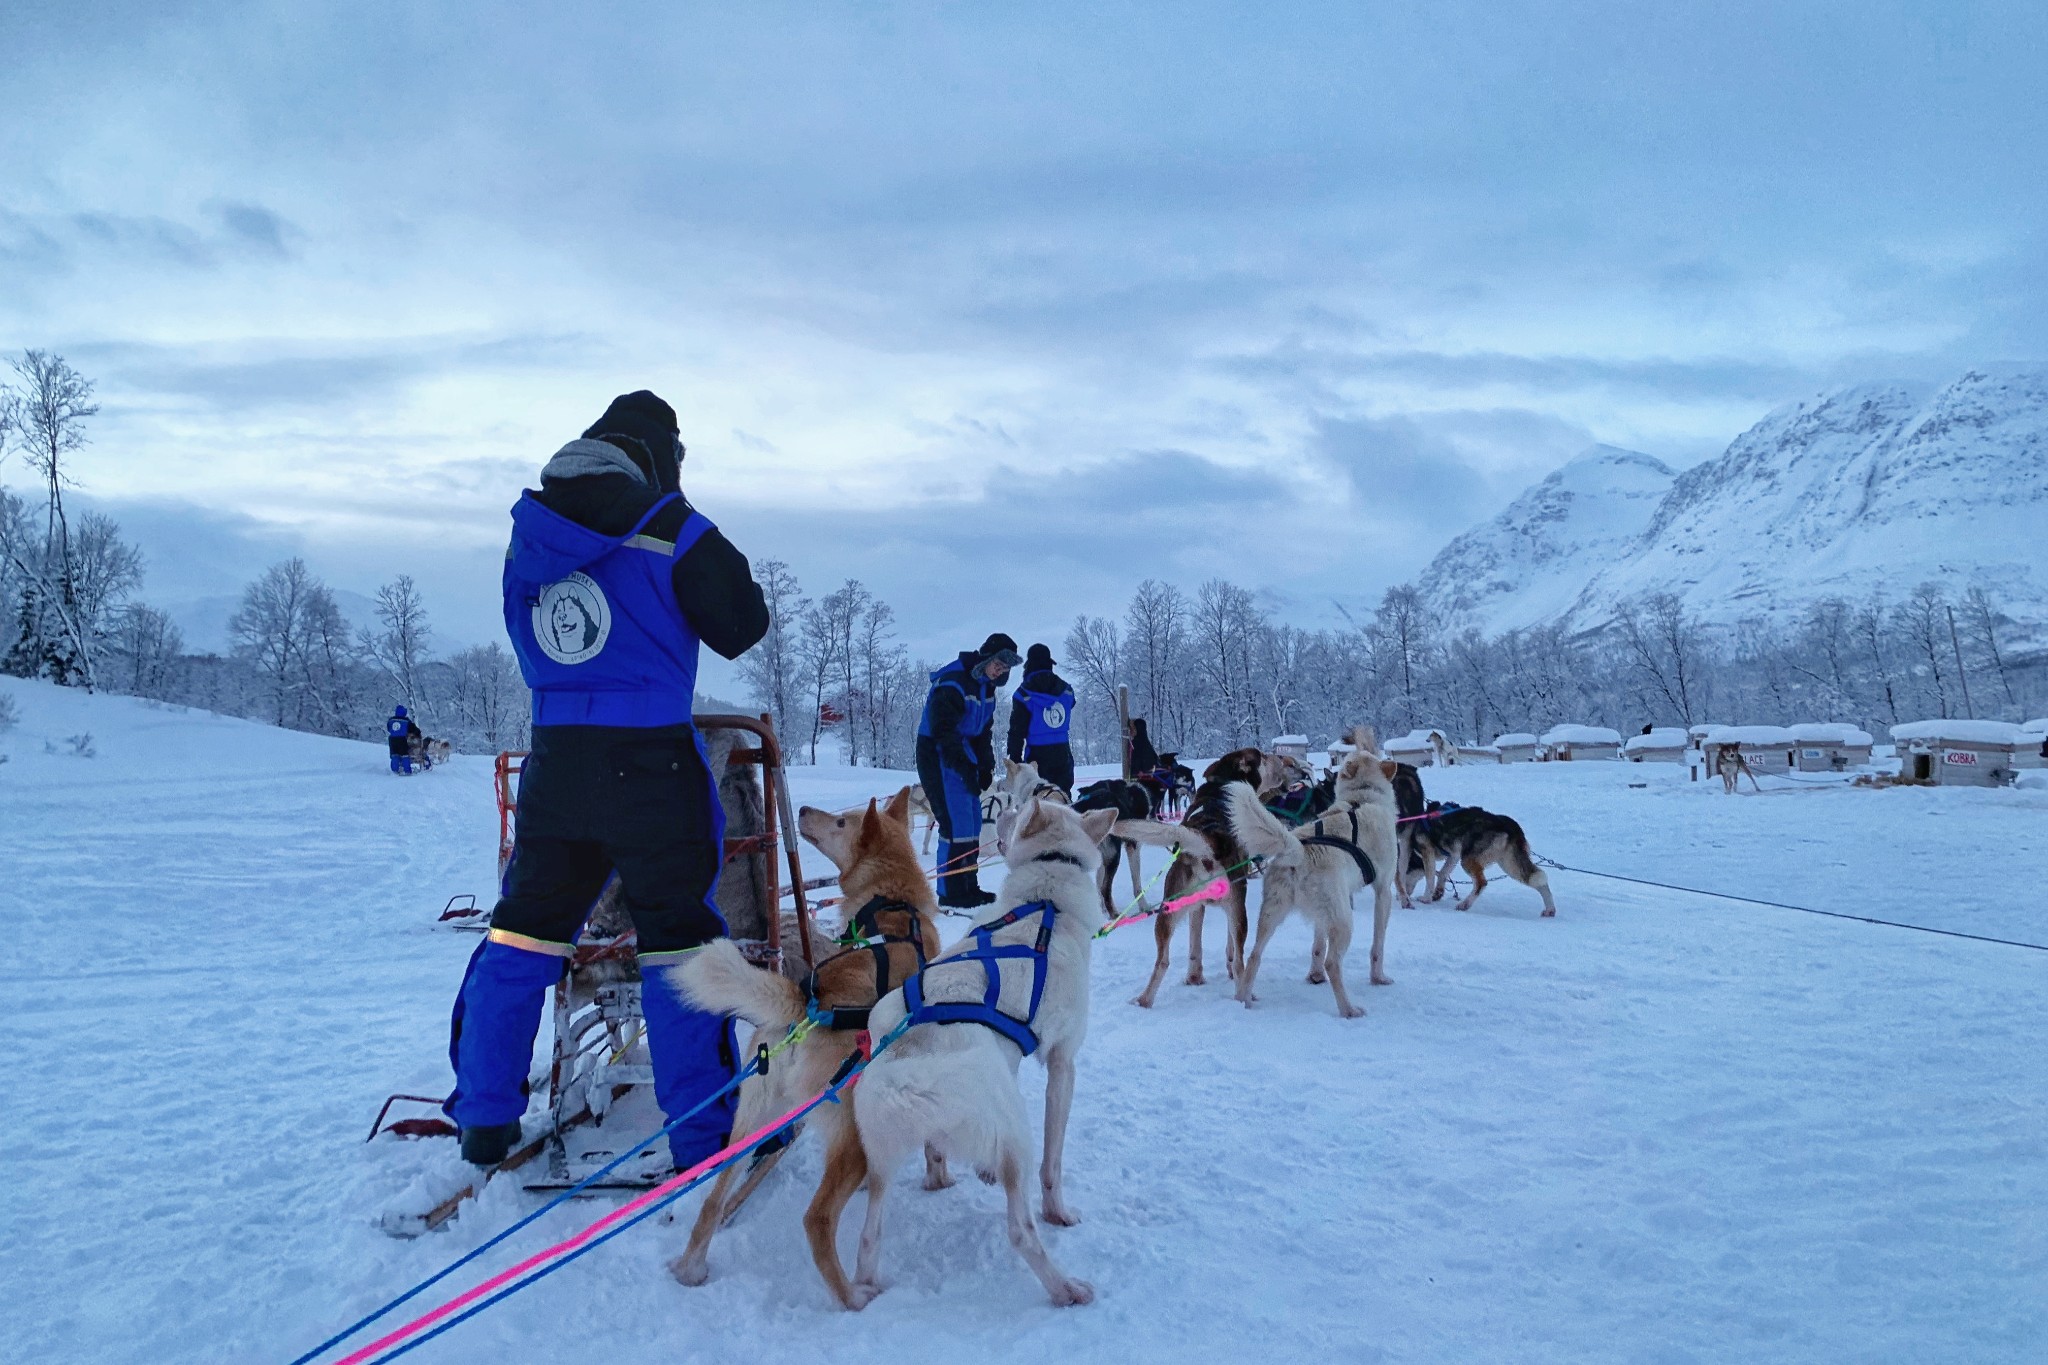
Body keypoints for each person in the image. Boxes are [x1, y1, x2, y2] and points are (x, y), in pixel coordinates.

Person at [444, 390, 770, 1170]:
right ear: (664, 458)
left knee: (522, 932)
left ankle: (485, 1118)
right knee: (680, 940)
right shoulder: (670, 523)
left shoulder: (529, 533)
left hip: (557, 761)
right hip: (653, 761)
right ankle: (701, 1130)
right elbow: (742, 621)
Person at [916, 632, 1020, 908]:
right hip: (938, 754)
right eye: (998, 664)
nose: (1000, 671)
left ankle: (968, 886)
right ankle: (950, 892)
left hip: (965, 753)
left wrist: (985, 766)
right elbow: (943, 731)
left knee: (973, 822)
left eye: (1005, 669)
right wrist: (963, 767)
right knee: (955, 824)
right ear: (986, 657)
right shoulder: (954, 682)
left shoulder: (987, 689)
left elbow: (983, 733)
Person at [1005, 642, 1076, 795]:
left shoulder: (1023, 694)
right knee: (1063, 797)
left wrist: (1015, 759)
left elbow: (1017, 731)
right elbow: (1072, 704)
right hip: (1063, 754)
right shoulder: (1067, 690)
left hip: (1037, 756)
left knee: (1038, 799)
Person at [386, 704, 423, 774]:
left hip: (392, 740)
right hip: (402, 740)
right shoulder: (406, 721)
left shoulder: (391, 720)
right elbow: (414, 730)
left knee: (394, 755)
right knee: (405, 755)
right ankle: (407, 771)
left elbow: (388, 728)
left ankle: (395, 770)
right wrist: (417, 734)